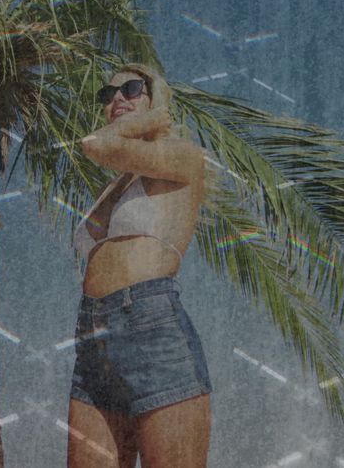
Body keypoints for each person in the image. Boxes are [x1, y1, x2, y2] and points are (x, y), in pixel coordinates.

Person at [68, 63, 212, 467]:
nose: (116, 99)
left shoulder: (182, 156)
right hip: (93, 333)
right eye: (107, 95)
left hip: (150, 324)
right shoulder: (120, 182)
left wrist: (152, 118)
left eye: (130, 89)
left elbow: (95, 144)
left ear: (157, 99)